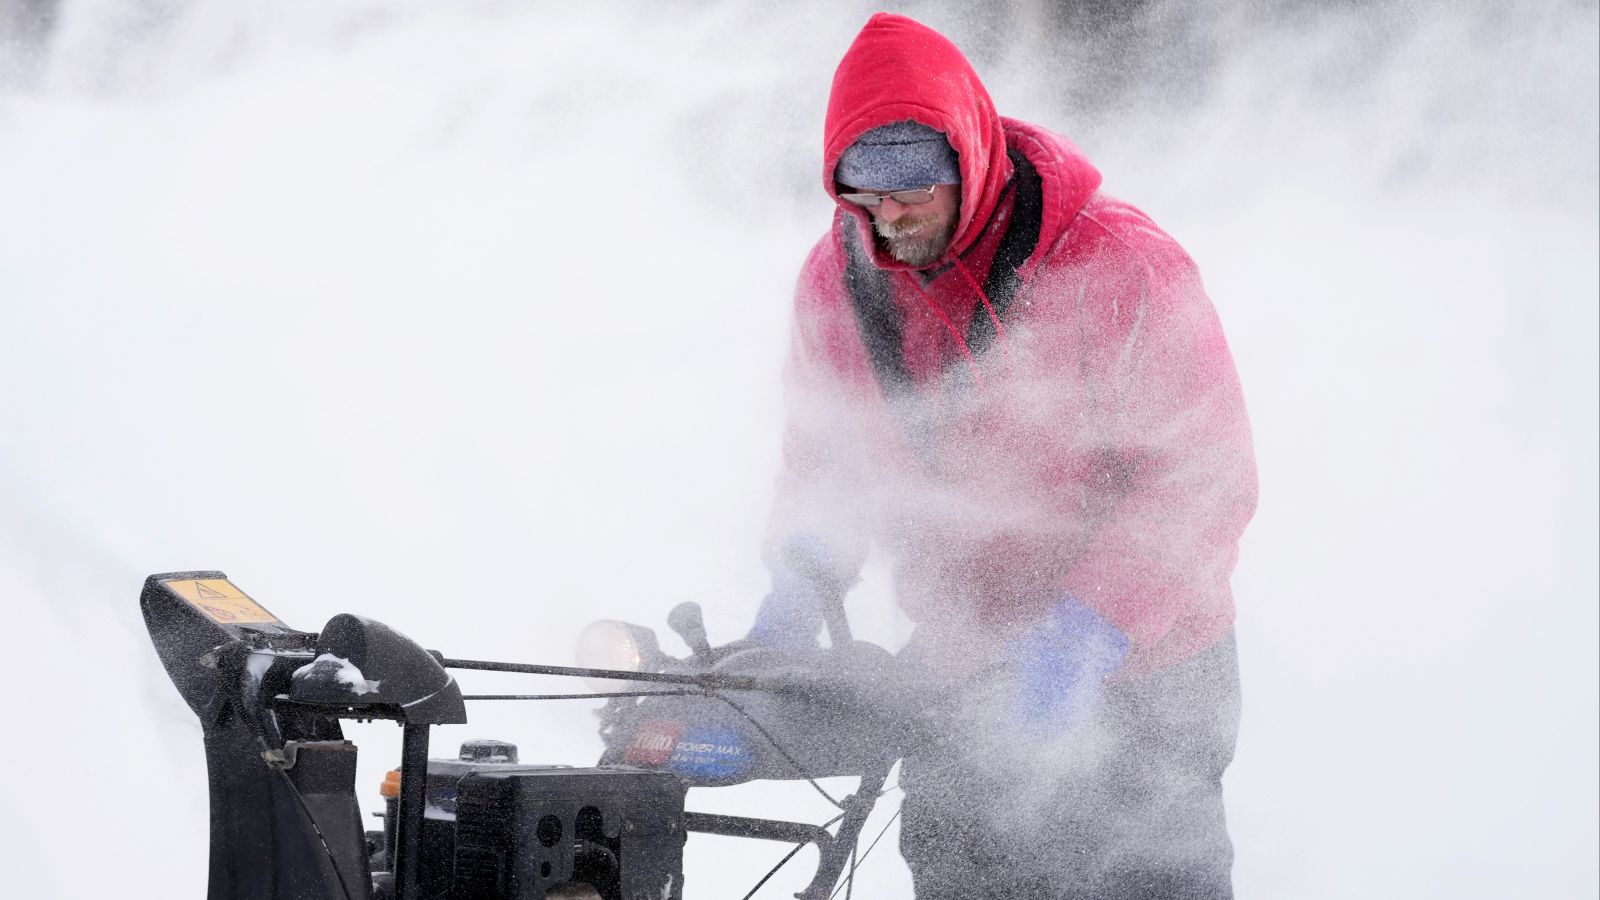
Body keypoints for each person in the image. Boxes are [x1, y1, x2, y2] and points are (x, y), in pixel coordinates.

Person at [747, 12, 1258, 900]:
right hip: (957, 669)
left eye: (913, 183)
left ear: (968, 154)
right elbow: (825, 462)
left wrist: (1085, 630)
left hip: (1146, 674)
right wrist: (800, 579)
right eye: (862, 190)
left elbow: (1203, 477)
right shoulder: (836, 284)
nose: (889, 215)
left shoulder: (1117, 266)